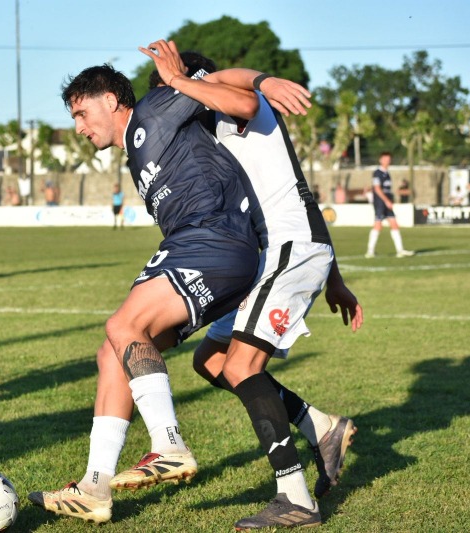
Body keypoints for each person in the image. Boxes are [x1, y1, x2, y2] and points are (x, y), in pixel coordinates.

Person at [29, 62, 264, 524]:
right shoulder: (138, 148)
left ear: (111, 101)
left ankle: (169, 444)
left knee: (123, 325)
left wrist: (261, 81)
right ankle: (94, 486)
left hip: (215, 240)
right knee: (112, 350)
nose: (78, 127)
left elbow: (230, 91)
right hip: (201, 247)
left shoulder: (155, 107)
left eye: (81, 113)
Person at [146, 43, 362, 529]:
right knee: (213, 361)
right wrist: (337, 278)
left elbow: (243, 93)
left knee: (242, 364)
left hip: (290, 248)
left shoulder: (232, 106)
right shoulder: (210, 128)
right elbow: (302, 187)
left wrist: (192, 81)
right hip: (274, 253)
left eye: (172, 93)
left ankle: (296, 498)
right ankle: (320, 426)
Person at [365, 152, 414, 258]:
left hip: (387, 203)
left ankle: (400, 250)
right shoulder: (377, 173)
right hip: (380, 203)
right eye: (385, 159)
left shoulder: (387, 173)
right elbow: (377, 189)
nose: (387, 161)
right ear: (380, 160)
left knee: (394, 224)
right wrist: (386, 200)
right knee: (378, 225)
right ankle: (370, 251)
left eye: (389, 159)